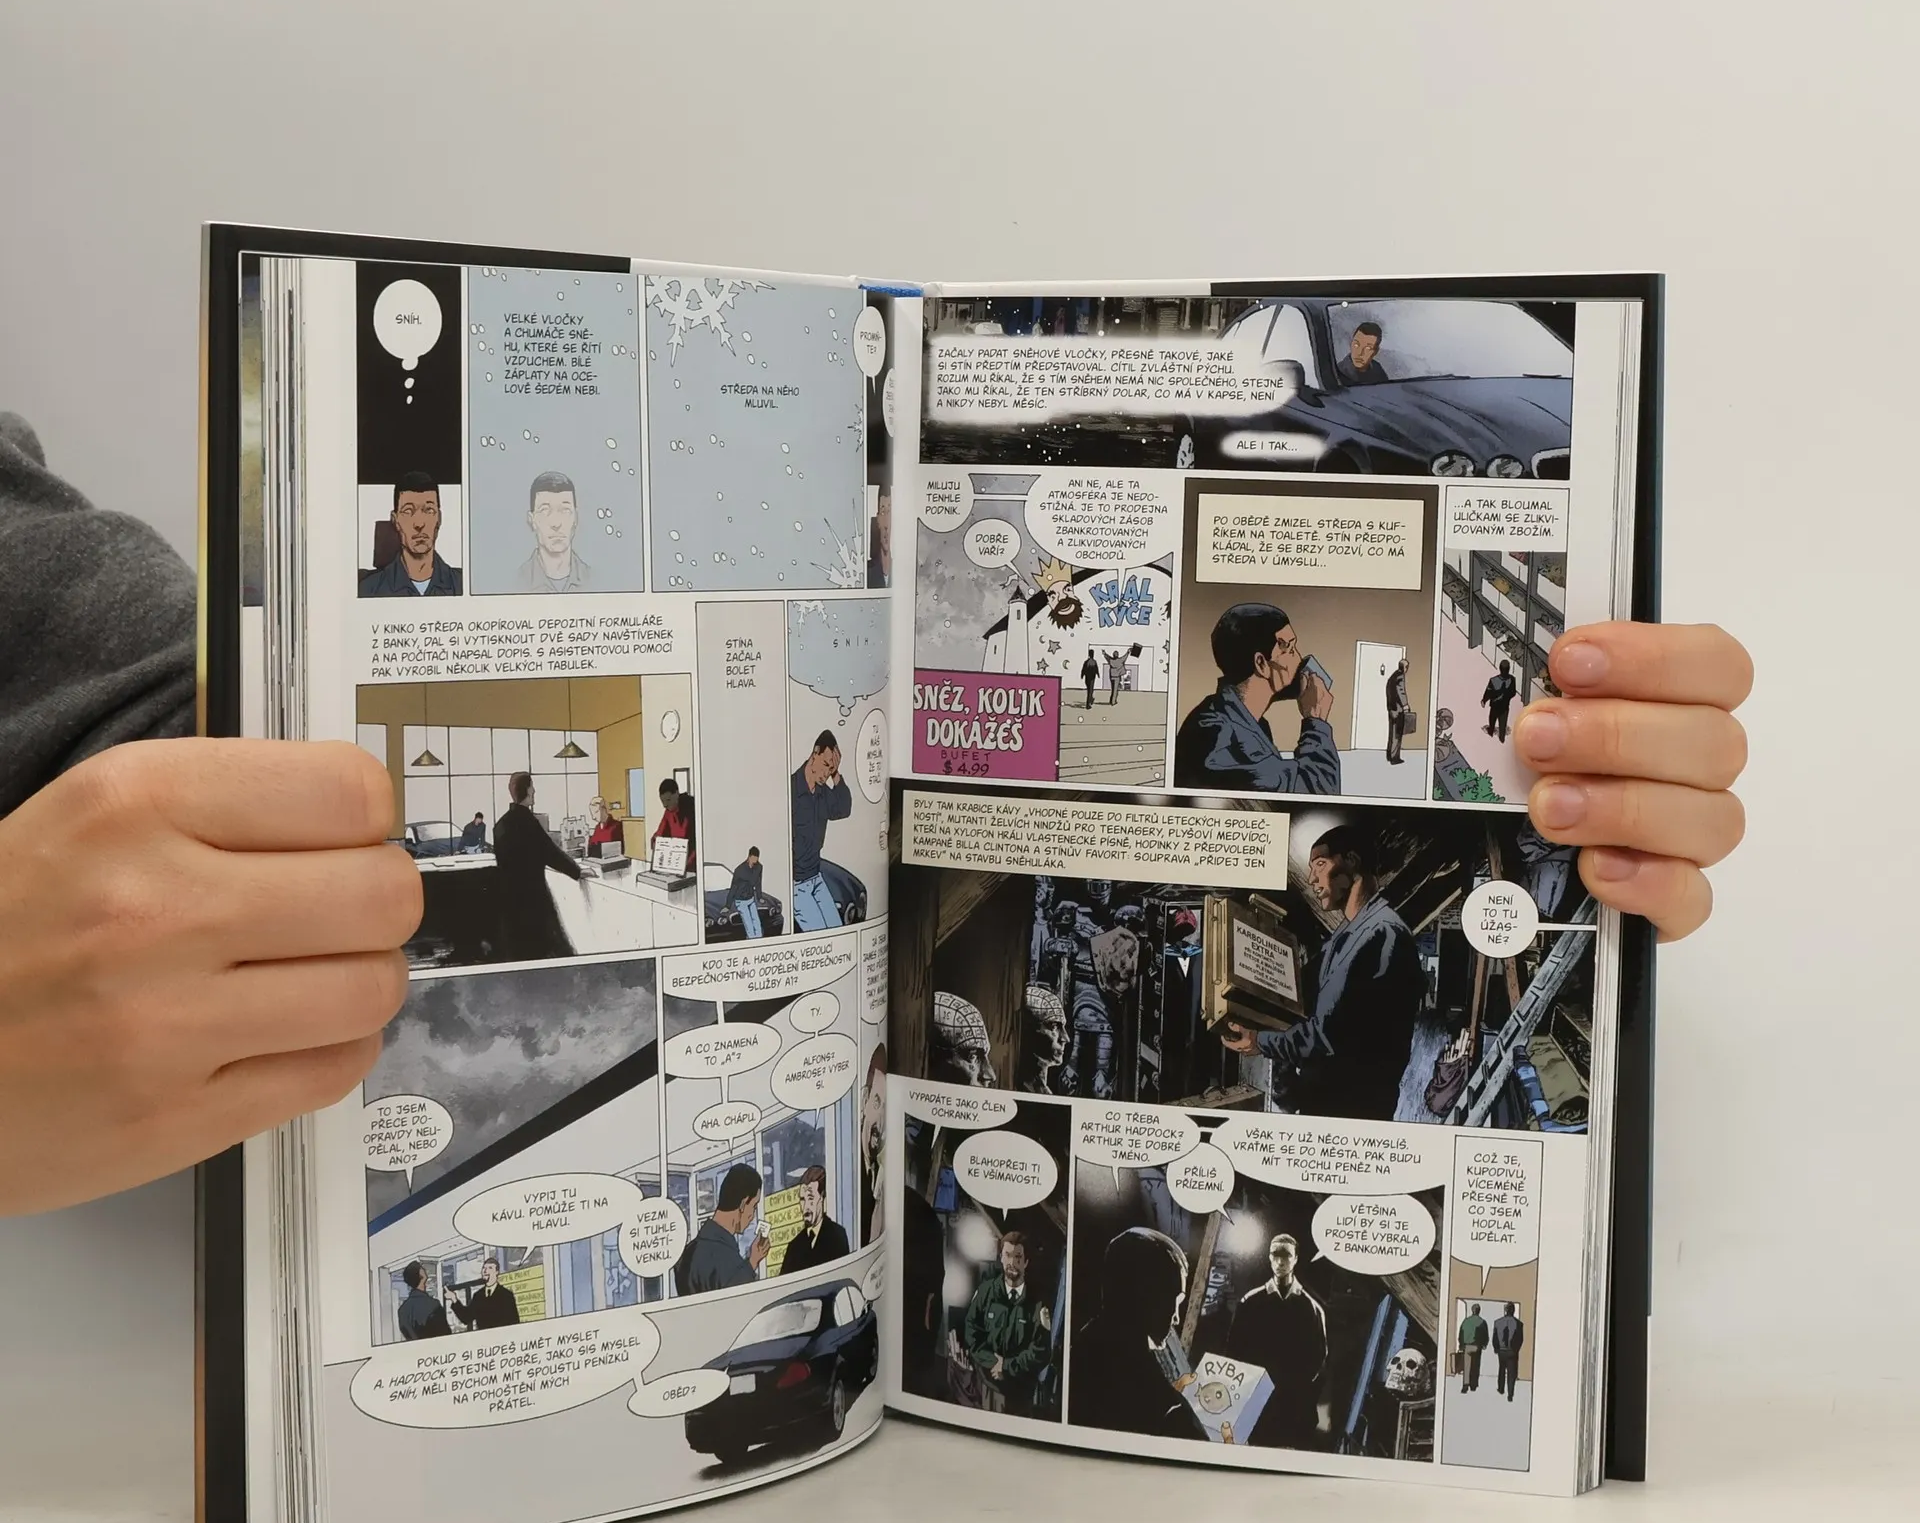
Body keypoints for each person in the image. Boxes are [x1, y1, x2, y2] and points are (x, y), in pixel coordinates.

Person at [0, 413, 1754, 1217]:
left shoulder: (1257, 773)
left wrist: (1561, 806)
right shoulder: (1246, 749)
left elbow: (111, 713)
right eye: (1288, 652)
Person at [1222, 824, 1425, 1119]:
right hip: (1326, 1101)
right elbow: (1302, 996)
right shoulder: (1347, 934)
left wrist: (1259, 1041)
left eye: (1319, 864)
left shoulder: (1384, 934)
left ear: (1352, 861)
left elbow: (1329, 1036)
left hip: (1354, 1111)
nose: (1311, 879)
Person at [1172, 602, 1340, 793]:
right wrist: (1315, 721)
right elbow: (1319, 791)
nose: (1299, 658)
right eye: (1290, 649)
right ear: (1261, 663)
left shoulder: (1243, 721)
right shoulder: (1219, 735)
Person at [1068, 1228, 1206, 1441]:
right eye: (1174, 1299)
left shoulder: (1086, 1344)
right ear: (1147, 1294)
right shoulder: (1144, 1382)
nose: (1176, 1318)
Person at [1223, 1232, 1328, 1448]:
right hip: (1256, 1401)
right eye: (1275, 1255)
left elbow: (1317, 1359)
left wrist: (1293, 1386)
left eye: (1286, 1255)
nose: (1280, 1261)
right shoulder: (1250, 1303)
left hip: (1292, 1405)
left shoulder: (1311, 1309)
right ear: (1269, 1258)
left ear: (1295, 1259)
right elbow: (1234, 1351)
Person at [961, 1226, 1052, 1417]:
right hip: (985, 1390)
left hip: (1020, 1397)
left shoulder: (1038, 1302)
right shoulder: (986, 1292)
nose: (1012, 1262)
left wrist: (1007, 1366)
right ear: (1001, 1258)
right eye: (1007, 1255)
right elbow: (972, 1332)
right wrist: (994, 1362)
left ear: (1026, 1262)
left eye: (1018, 1257)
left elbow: (1041, 1351)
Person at [491, 772, 582, 961]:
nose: (534, 791)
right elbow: (550, 853)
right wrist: (577, 872)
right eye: (532, 786)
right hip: (533, 897)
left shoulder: (500, 825)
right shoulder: (527, 822)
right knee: (544, 950)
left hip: (509, 899)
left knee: (516, 952)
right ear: (526, 790)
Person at [358, 472, 462, 597]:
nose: (419, 524)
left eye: (429, 510)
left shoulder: (461, 583)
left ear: (439, 519)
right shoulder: (368, 589)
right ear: (395, 520)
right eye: (408, 511)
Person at [790, 730, 853, 931]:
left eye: (831, 769)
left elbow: (843, 809)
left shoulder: (823, 793)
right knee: (820, 937)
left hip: (816, 878)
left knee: (837, 931)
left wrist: (836, 774)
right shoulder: (790, 789)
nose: (826, 773)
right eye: (825, 765)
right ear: (814, 753)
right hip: (796, 885)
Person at [678, 1165, 769, 1294]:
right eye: (754, 1206)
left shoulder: (688, 1252)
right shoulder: (725, 1256)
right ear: (743, 1204)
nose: (753, 1216)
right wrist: (752, 1262)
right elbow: (737, 1297)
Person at [517, 472, 592, 591]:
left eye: (565, 510)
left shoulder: (594, 580)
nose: (556, 524)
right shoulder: (517, 581)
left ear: (576, 518)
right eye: (545, 510)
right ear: (531, 520)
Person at [779, 1164, 849, 1274]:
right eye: (802, 1199)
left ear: (822, 1198)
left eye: (810, 1198)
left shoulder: (837, 1236)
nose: (806, 1206)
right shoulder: (794, 1246)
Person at [859, 1044, 887, 1247]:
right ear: (864, 1101)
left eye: (886, 1107)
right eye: (877, 1103)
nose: (880, 1120)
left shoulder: (880, 1172)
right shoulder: (850, 1169)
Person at [451, 1257, 521, 1330]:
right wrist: (454, 1299)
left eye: (490, 1268)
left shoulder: (506, 1295)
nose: (485, 1271)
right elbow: (466, 1318)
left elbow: (514, 1323)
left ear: (497, 1272)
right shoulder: (478, 1296)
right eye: (484, 1268)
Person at [396, 1260, 451, 1340]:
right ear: (423, 1277)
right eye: (422, 1269)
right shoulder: (433, 1305)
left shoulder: (402, 1310)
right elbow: (446, 1335)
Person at [651, 779, 694, 874]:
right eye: (662, 801)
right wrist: (655, 841)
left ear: (676, 794)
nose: (665, 805)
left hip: (691, 866)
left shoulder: (692, 808)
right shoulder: (669, 811)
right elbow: (660, 833)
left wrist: (685, 865)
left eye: (668, 800)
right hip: (675, 864)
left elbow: (696, 843)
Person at [1336, 320, 1389, 385]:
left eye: (1368, 348)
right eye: (1356, 345)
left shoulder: (1377, 370)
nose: (1360, 353)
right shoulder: (1338, 372)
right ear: (1351, 344)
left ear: (1376, 351)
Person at [1492, 1301, 1526, 1400]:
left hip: (1501, 1351)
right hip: (1512, 1351)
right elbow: (1520, 1339)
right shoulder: (1519, 1324)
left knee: (1501, 1369)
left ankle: (1501, 1389)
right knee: (1512, 1373)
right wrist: (1516, 1350)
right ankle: (1510, 1394)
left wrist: (1496, 1348)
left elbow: (1495, 1338)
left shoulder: (1497, 1322)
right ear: (1513, 1310)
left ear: (1505, 1310)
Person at [729, 846, 765, 940]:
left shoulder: (759, 867)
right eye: (754, 858)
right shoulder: (739, 870)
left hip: (751, 899)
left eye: (757, 858)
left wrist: (759, 897)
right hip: (740, 901)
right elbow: (733, 887)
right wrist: (727, 905)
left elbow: (758, 883)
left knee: (757, 923)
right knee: (749, 925)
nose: (755, 861)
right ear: (749, 856)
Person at [1385, 652, 1412, 766]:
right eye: (1407, 667)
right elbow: (1401, 692)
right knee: (1397, 734)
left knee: (1392, 733)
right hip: (1398, 710)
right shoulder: (1400, 677)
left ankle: (1389, 755)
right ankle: (1394, 758)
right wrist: (1405, 705)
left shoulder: (1393, 677)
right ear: (1405, 667)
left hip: (1392, 709)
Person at [1483, 658, 1519, 742]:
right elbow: (1513, 693)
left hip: (1495, 706)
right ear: (1509, 669)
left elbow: (1488, 692)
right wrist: (1506, 697)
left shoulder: (1493, 680)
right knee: (1502, 726)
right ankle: (1501, 739)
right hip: (1504, 707)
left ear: (1500, 668)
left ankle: (1491, 734)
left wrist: (1484, 700)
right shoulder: (1512, 679)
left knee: (1492, 722)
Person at [1457, 1302, 1490, 1392]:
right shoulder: (1482, 1322)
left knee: (1467, 1366)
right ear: (1479, 1311)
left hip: (1467, 1346)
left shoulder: (1466, 1321)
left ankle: (1465, 1385)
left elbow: (1461, 1333)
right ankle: (1473, 1385)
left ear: (1472, 1310)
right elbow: (1485, 1335)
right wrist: (1484, 1344)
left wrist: (1461, 1345)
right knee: (1475, 1365)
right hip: (1477, 1346)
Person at [866, 486, 892, 588]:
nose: (886, 525)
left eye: (889, 512)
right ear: (877, 520)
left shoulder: (904, 571)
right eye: (883, 512)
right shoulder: (867, 573)